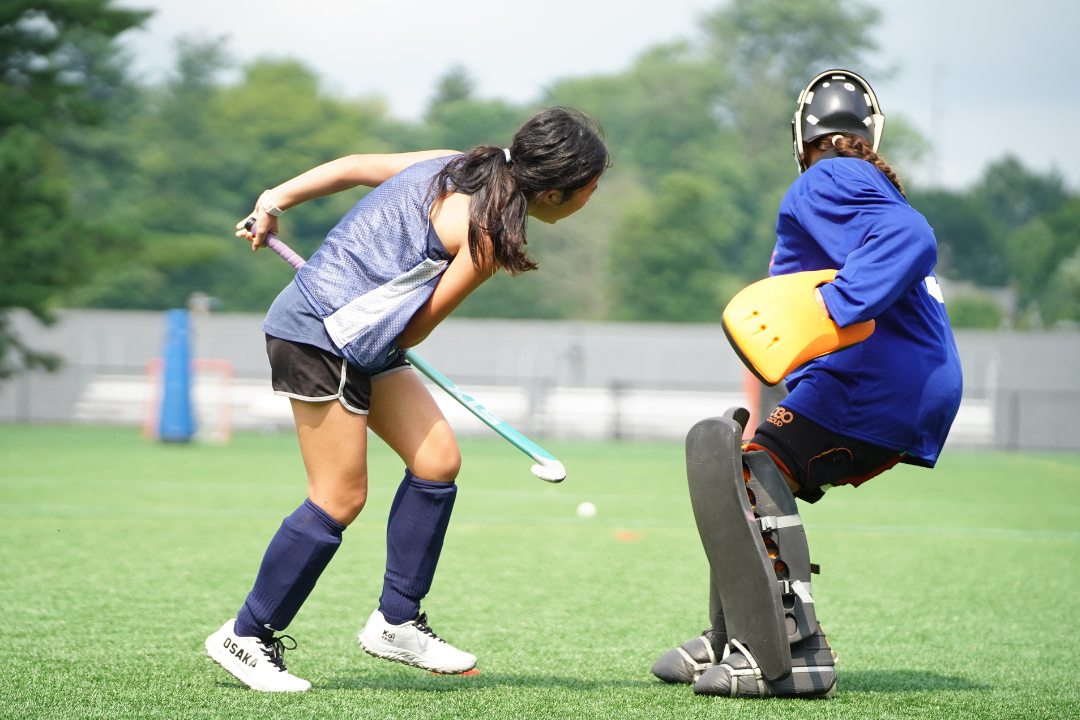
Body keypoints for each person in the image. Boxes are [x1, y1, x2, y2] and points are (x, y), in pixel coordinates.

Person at [204, 107, 608, 692]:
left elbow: (355, 166)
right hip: (322, 335)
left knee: (436, 460)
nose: (589, 200)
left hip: (364, 337)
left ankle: (396, 622)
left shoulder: (454, 162)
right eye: (589, 191)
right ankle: (246, 636)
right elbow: (415, 330)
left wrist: (273, 201)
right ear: (552, 191)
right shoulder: (488, 231)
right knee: (339, 497)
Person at [651, 70, 962, 698]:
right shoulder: (864, 181)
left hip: (874, 379)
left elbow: (912, 237)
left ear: (802, 139)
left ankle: (792, 648)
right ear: (869, 133)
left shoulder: (827, 176)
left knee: (749, 468)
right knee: (744, 473)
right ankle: (738, 630)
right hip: (908, 379)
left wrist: (836, 307)